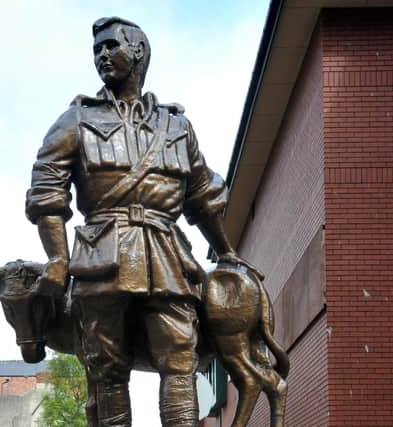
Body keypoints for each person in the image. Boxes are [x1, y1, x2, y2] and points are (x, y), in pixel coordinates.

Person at [25, 16, 256, 427]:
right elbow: (46, 193)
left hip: (167, 255)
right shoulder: (75, 121)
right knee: (105, 366)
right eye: (96, 50)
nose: (102, 56)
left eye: (111, 46)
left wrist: (227, 252)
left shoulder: (176, 126)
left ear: (139, 53)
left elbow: (202, 196)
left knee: (179, 356)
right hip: (101, 255)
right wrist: (58, 259)